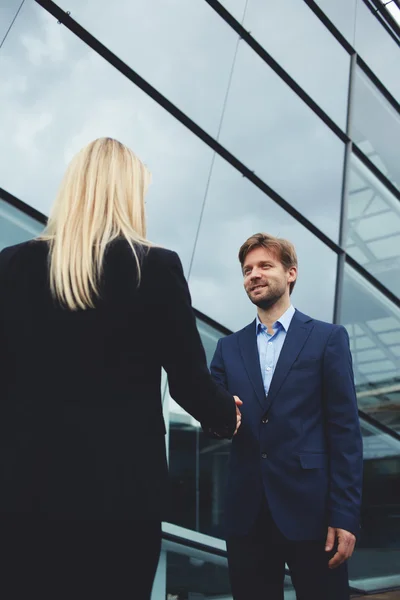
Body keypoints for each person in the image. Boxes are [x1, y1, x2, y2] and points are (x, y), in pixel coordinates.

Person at [0, 137, 241, 600]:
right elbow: (190, 384)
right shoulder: (154, 267)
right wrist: (228, 417)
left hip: (22, 491)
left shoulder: (12, 265)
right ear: (127, 195)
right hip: (120, 499)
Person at [210, 233, 363, 600]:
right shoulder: (227, 348)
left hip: (314, 513)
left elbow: (344, 431)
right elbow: (214, 422)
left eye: (265, 266)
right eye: (247, 270)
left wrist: (344, 515)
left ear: (291, 273)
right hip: (246, 516)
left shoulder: (328, 339)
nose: (254, 275)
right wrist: (219, 415)